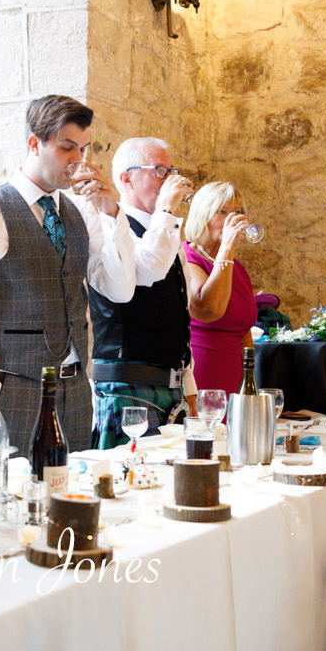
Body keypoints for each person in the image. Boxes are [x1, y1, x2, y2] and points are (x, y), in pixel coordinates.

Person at [0, 95, 135, 454]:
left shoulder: (83, 212)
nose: (78, 159)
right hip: (12, 393)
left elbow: (120, 289)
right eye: (67, 147)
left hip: (75, 394)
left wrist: (111, 212)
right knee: (12, 489)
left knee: (74, 489)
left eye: (83, 148)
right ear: (34, 144)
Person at [90, 137, 196, 448]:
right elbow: (150, 268)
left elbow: (180, 315)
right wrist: (167, 208)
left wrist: (189, 387)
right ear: (126, 178)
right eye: (160, 171)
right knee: (128, 476)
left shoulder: (167, 231)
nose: (169, 180)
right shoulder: (111, 227)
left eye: (171, 171)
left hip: (171, 387)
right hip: (127, 386)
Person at [181, 181, 258, 395]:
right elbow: (209, 310)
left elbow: (244, 329)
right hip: (201, 372)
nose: (232, 220)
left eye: (238, 212)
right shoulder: (188, 258)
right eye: (222, 212)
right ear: (202, 216)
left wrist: (250, 378)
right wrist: (227, 247)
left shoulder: (236, 267)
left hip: (235, 375)